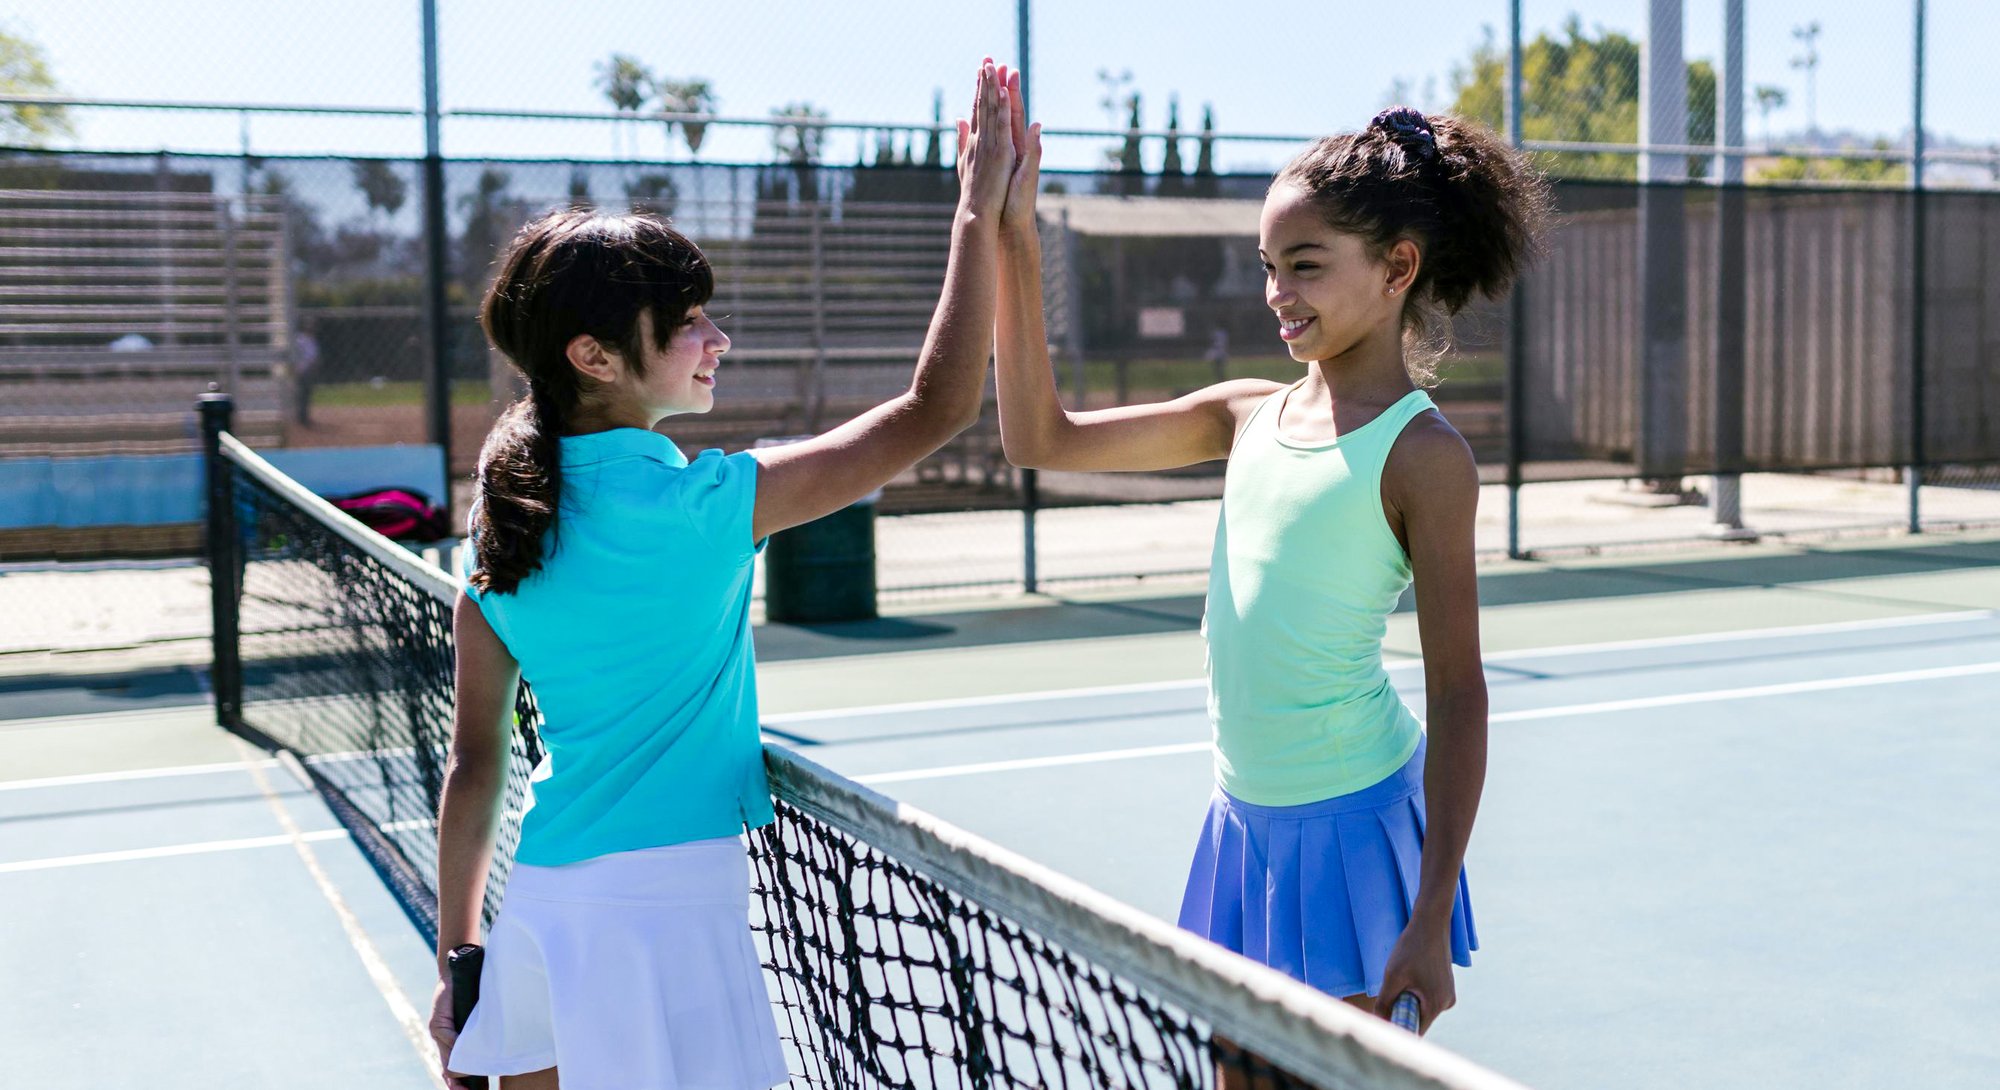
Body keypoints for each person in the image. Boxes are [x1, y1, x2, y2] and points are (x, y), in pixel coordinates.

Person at [428, 59, 1024, 1089]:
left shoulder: (499, 533)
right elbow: (935, 409)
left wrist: (459, 959)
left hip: (539, 907)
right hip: (669, 917)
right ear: (595, 356)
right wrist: (976, 214)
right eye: (688, 323)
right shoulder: (705, 510)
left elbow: (475, 768)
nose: (718, 339)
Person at [991, 99, 1548, 1036]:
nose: (1277, 292)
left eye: (1306, 266)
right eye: (1268, 268)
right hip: (1240, 829)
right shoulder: (1246, 414)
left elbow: (1460, 693)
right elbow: (1036, 435)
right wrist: (1009, 236)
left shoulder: (1423, 456)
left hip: (1355, 838)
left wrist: (1428, 909)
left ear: (1397, 268)